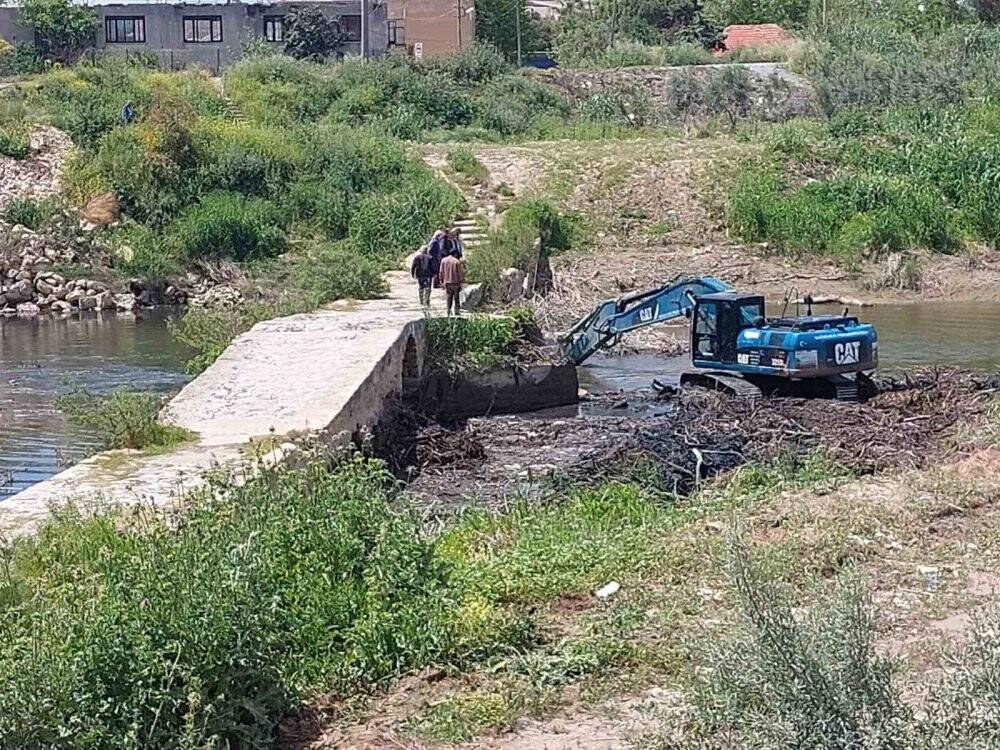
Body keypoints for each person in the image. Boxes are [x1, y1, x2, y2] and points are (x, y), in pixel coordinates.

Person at [438, 248, 465, 317]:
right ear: (455, 254)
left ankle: (448, 310)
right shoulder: (457, 262)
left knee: (449, 297)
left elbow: (441, 272)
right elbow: (460, 273)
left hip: (447, 282)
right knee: (456, 297)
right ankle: (457, 312)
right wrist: (462, 282)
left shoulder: (443, 261)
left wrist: (441, 280)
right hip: (455, 282)